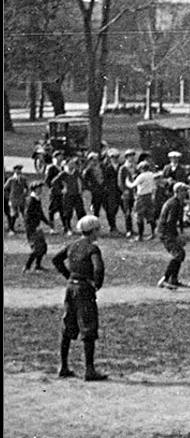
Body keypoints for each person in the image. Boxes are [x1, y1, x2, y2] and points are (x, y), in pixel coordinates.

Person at [51, 215, 108, 381]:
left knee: (68, 325)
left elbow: (56, 259)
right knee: (88, 327)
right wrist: (97, 284)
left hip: (71, 288)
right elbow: (98, 269)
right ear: (94, 230)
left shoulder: (72, 245)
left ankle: (63, 366)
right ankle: (89, 370)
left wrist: (68, 275)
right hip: (84, 289)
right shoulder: (92, 248)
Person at [157, 182, 189, 289]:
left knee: (180, 253)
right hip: (166, 232)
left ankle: (173, 279)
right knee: (178, 254)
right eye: (184, 191)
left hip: (167, 231)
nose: (186, 193)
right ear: (178, 192)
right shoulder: (174, 204)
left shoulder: (177, 203)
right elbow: (170, 222)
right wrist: (177, 236)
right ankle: (165, 279)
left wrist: (180, 232)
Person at [23, 180, 49, 272]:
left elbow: (40, 213)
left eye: (41, 188)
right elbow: (27, 216)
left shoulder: (37, 199)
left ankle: (38, 265)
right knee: (37, 248)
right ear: (34, 189)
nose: (40, 189)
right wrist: (34, 226)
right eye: (38, 188)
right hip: (32, 227)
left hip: (36, 226)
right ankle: (27, 266)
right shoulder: (31, 200)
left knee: (43, 246)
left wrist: (47, 222)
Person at [130, 161, 159, 241]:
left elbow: (133, 185)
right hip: (149, 196)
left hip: (141, 197)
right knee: (150, 215)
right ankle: (154, 233)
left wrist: (127, 181)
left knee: (139, 216)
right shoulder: (151, 175)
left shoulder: (141, 176)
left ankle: (140, 236)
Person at [58, 158, 85, 234]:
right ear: (66, 165)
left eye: (73, 164)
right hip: (68, 196)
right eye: (70, 164)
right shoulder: (63, 174)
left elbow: (82, 181)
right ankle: (68, 228)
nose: (72, 165)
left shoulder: (76, 172)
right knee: (68, 213)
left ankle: (82, 227)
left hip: (77, 195)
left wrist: (81, 189)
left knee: (81, 212)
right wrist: (61, 190)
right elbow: (54, 182)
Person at [5, 164, 29, 234]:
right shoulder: (11, 180)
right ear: (14, 170)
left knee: (24, 213)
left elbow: (26, 187)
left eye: (20, 170)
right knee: (14, 214)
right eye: (17, 169)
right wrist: (8, 196)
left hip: (21, 198)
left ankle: (27, 227)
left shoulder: (23, 179)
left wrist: (25, 194)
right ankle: (11, 229)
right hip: (13, 199)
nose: (19, 171)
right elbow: (5, 188)